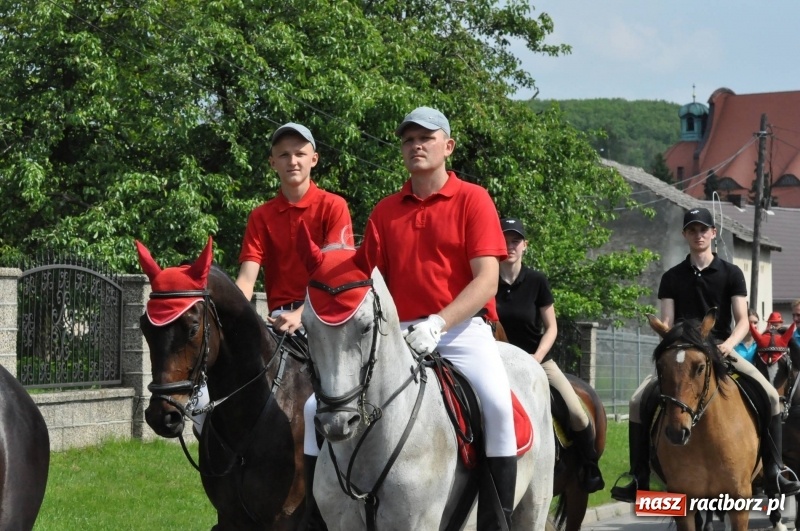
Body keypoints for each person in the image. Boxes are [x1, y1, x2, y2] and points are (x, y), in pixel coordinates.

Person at [337, 105, 513, 530]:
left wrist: (439, 322)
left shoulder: (473, 199)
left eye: (426, 138)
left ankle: (498, 521)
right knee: (319, 406)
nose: (416, 145)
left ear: (447, 146)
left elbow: (487, 281)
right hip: (396, 336)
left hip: (460, 330)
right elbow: (366, 283)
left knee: (498, 408)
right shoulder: (385, 211)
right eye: (408, 139)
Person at [611, 207, 800, 502]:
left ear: (713, 233)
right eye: (692, 230)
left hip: (722, 349)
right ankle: (639, 476)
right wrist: (670, 340)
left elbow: (741, 321)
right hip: (684, 355)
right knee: (638, 401)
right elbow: (668, 322)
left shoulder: (731, 273)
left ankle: (774, 470)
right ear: (685, 234)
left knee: (771, 395)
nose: (698, 235)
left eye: (703, 230)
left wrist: (728, 345)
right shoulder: (671, 277)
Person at [236, 122, 353, 530]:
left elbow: (339, 277)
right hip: (274, 321)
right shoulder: (261, 215)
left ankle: (326, 497)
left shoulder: (333, 207)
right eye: (283, 154)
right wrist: (239, 320)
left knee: (328, 399)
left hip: (323, 318)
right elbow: (246, 282)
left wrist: (303, 314)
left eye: (300, 152)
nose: (292, 160)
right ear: (272, 163)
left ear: (314, 159)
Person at [495, 217, 604, 493]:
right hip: (496, 362)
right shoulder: (486, 279)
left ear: (525, 246)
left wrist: (535, 357)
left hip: (537, 361)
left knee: (578, 414)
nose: (510, 246)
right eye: (505, 240)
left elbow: (551, 327)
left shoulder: (536, 281)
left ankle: (589, 467)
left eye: (515, 241)